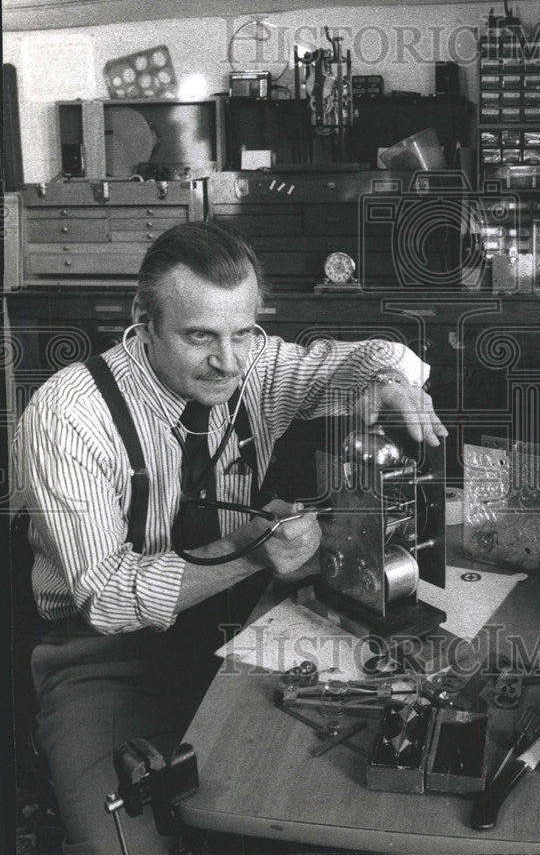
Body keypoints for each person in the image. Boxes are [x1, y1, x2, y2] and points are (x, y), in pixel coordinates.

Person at [14, 221, 446, 854]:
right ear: (144, 319)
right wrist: (252, 552)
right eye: (200, 337)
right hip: (107, 666)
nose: (229, 361)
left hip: (239, 632)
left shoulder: (253, 366)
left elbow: (367, 353)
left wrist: (389, 386)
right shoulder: (69, 415)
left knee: (313, 814)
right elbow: (106, 599)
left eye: (243, 331)